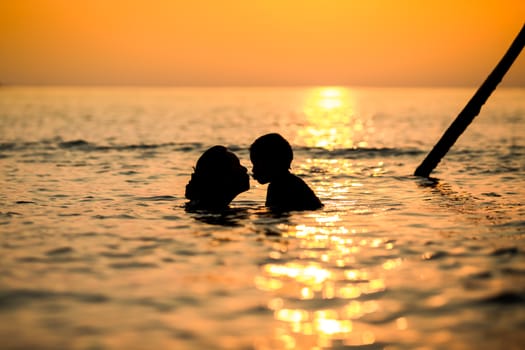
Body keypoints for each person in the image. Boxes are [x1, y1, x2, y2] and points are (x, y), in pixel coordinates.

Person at [250, 133, 323, 212]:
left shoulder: (280, 186)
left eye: (256, 164)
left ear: (273, 163)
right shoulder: (288, 182)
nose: (253, 170)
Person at [185, 145, 250, 210]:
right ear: (222, 178)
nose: (245, 169)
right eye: (236, 165)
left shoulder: (204, 207)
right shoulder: (214, 211)